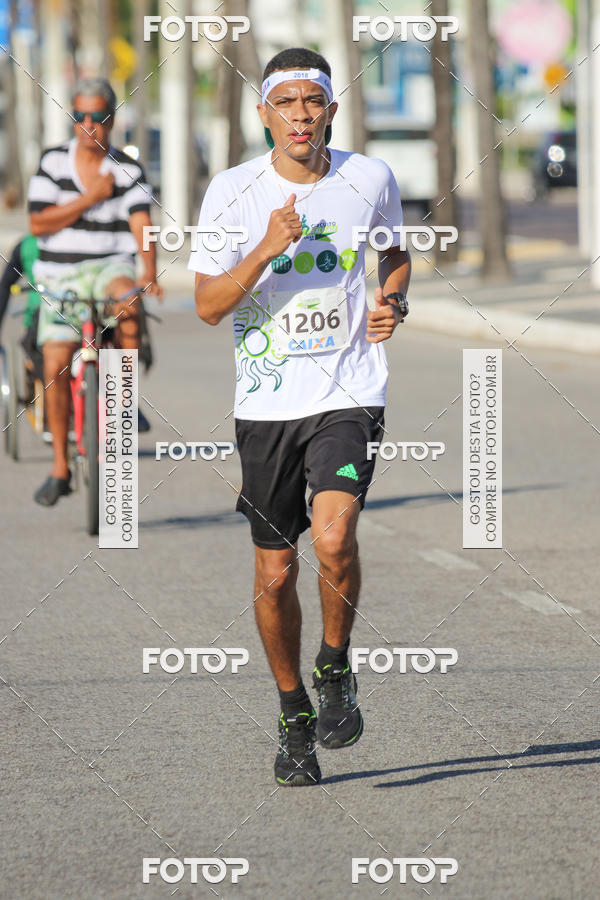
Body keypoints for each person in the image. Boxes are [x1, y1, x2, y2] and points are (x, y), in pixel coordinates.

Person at [189, 48, 411, 786]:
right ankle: (292, 713)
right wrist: (266, 247)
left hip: (348, 390)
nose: (300, 116)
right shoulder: (232, 192)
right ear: (264, 114)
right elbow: (208, 304)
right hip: (266, 404)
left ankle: (335, 666)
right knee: (276, 568)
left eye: (312, 102)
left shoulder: (369, 178)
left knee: (335, 535)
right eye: (284, 102)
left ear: (331, 111)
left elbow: (394, 254)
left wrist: (393, 301)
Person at [27, 77, 162, 506]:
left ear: (112, 119)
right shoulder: (53, 162)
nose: (89, 125)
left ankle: (125, 395)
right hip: (60, 275)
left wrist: (149, 272)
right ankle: (60, 469)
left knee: (128, 301)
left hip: (110, 267)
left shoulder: (129, 169)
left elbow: (141, 222)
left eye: (98, 116)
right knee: (54, 361)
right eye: (80, 116)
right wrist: (91, 198)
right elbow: (38, 223)